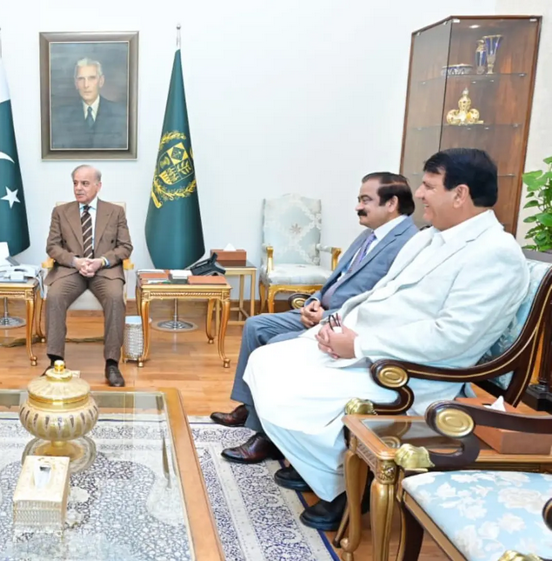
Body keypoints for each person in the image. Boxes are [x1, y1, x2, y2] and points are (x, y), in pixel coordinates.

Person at [236, 148, 528, 531]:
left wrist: (357, 345)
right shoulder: (430, 237)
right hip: (365, 345)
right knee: (267, 362)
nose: (419, 194)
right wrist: (332, 326)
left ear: (460, 194)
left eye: (428, 185)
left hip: (411, 371)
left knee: (288, 384)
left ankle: (346, 485)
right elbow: (377, 295)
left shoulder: (496, 254)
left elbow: (453, 338)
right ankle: (328, 469)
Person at [213, 173, 417, 433]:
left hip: (343, 322)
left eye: (365, 200)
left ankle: (262, 432)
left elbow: (380, 301)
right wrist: (314, 301)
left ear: (391, 203)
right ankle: (249, 406)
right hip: (320, 310)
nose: (358, 206)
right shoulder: (370, 234)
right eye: (358, 199)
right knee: (255, 325)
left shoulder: (408, 243)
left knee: (275, 345)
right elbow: (337, 279)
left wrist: (323, 316)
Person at [45, 165, 133, 386]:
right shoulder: (61, 212)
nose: (78, 188)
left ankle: (112, 364)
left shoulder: (115, 212)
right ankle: (55, 361)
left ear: (98, 186)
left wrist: (100, 261)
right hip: (71, 269)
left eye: (84, 183)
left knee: (115, 298)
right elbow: (52, 247)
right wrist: (75, 261)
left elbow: (125, 247)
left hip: (104, 270)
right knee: (54, 296)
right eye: (75, 183)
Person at [51, 58, 127, 150]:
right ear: (76, 83)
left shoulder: (120, 114)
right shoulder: (60, 116)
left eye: (92, 78)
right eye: (81, 79)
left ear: (101, 81)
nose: (86, 85)